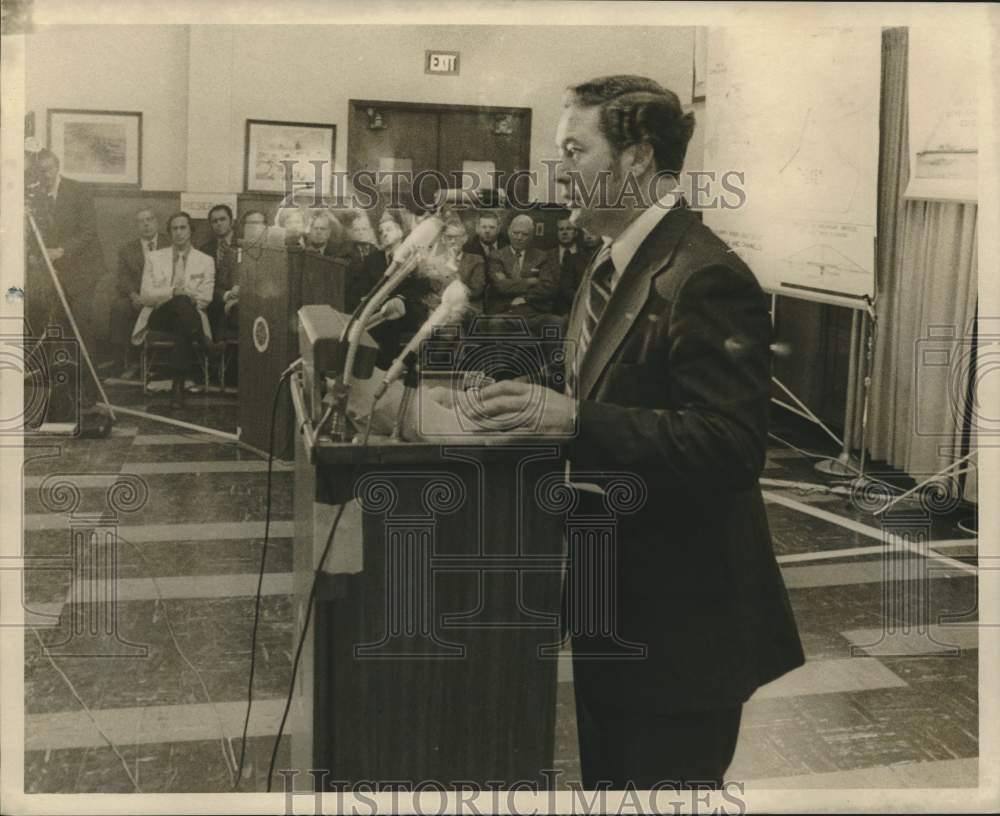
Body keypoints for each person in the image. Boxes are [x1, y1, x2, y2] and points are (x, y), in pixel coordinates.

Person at [472, 75, 804, 789]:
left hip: (681, 633)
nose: (556, 171)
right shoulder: (609, 259)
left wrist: (575, 418)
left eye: (573, 150)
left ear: (636, 159)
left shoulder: (706, 276)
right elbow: (611, 390)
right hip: (613, 606)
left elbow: (731, 446)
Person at [27, 148, 110, 433]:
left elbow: (88, 232)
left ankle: (89, 394)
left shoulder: (78, 191)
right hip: (55, 274)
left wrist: (60, 251)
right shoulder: (36, 198)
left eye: (49, 170)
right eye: (40, 171)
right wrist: (38, 254)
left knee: (81, 330)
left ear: (57, 167)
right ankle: (62, 397)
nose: (45, 176)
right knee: (55, 332)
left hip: (84, 272)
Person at [131, 212, 215, 406]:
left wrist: (183, 298)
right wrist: (174, 292)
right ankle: (200, 338)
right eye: (174, 229)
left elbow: (206, 299)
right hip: (159, 315)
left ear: (191, 231)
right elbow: (145, 295)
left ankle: (177, 386)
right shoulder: (154, 258)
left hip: (184, 317)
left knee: (181, 321)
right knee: (181, 300)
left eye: (183, 228)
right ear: (169, 233)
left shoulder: (205, 260)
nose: (178, 233)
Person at [111, 208, 168, 379]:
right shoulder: (127, 249)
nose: (146, 223)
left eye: (150, 219)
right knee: (119, 308)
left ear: (156, 222)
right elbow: (123, 278)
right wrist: (134, 295)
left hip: (162, 297)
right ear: (136, 226)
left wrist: (159, 297)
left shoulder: (170, 245)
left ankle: (161, 365)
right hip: (136, 296)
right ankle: (119, 362)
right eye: (141, 221)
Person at [484, 214, 558, 318]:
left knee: (556, 322)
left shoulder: (542, 257)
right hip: (504, 310)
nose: (519, 237)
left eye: (525, 234)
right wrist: (530, 281)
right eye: (515, 233)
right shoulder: (496, 256)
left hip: (533, 309)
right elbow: (502, 285)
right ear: (509, 232)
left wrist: (526, 299)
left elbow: (548, 287)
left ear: (531, 236)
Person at [200, 204, 239, 337]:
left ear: (231, 221)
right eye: (214, 221)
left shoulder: (245, 245)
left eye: (223, 219)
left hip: (241, 298)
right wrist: (226, 295)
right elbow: (203, 283)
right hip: (216, 299)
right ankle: (217, 353)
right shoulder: (205, 250)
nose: (219, 224)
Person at [549, 216, 589, 315]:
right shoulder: (547, 256)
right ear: (557, 233)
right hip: (551, 310)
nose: (564, 232)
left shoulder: (587, 256)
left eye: (568, 229)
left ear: (575, 233)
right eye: (561, 229)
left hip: (578, 309)